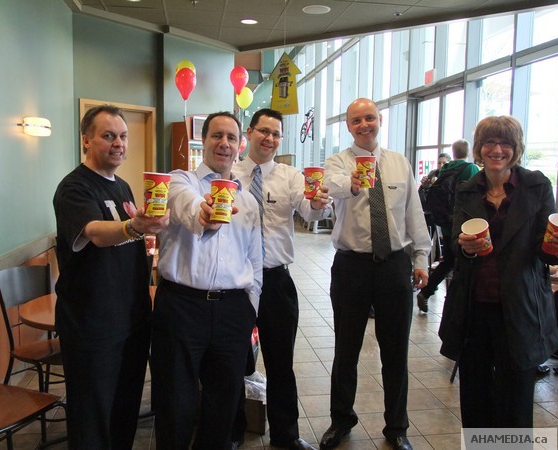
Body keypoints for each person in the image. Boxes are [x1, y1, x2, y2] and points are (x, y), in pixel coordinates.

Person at [438, 115, 558, 428]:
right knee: (475, 398)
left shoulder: (536, 186)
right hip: (474, 308)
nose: (497, 150)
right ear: (479, 148)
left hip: (521, 308)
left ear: (516, 148)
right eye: (490, 142)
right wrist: (465, 246)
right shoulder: (468, 189)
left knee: (516, 402)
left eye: (505, 143)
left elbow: (545, 250)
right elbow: (456, 244)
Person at [53, 105, 170, 449]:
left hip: (131, 321)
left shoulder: (123, 187)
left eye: (122, 136)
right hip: (92, 325)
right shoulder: (74, 188)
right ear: (86, 140)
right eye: (108, 136)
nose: (118, 143)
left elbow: (131, 237)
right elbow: (95, 232)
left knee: (124, 411)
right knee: (92, 417)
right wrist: (134, 226)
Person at [321, 98, 431, 450]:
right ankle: (341, 420)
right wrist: (353, 183)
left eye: (369, 117)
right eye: (356, 120)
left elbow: (414, 214)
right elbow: (330, 187)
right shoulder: (337, 162)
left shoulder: (399, 162)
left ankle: (397, 427)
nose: (364, 125)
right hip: (351, 266)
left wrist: (421, 258)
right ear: (348, 126)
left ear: (380, 119)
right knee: (346, 349)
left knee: (396, 351)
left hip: (394, 265)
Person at [150, 111, 263, 449]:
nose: (224, 143)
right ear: (203, 140)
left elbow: (255, 261)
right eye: (217, 135)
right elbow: (190, 208)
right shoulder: (179, 181)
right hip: (181, 307)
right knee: (175, 401)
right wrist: (207, 214)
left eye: (231, 137)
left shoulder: (248, 201)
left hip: (232, 311)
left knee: (223, 404)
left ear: (240, 145)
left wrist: (250, 308)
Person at [232, 108, 332, 450]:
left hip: (276, 282)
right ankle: (232, 431)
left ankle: (285, 435)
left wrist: (319, 203)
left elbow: (309, 211)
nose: (270, 138)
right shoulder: (229, 173)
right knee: (232, 360)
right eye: (264, 131)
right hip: (236, 282)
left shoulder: (290, 176)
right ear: (249, 132)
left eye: (276, 133)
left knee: (280, 362)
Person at [416, 140, 479, 312]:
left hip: (445, 222)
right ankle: (452, 300)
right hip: (463, 224)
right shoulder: (470, 169)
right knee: (460, 261)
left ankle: (429, 292)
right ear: (468, 152)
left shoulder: (445, 169)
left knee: (449, 260)